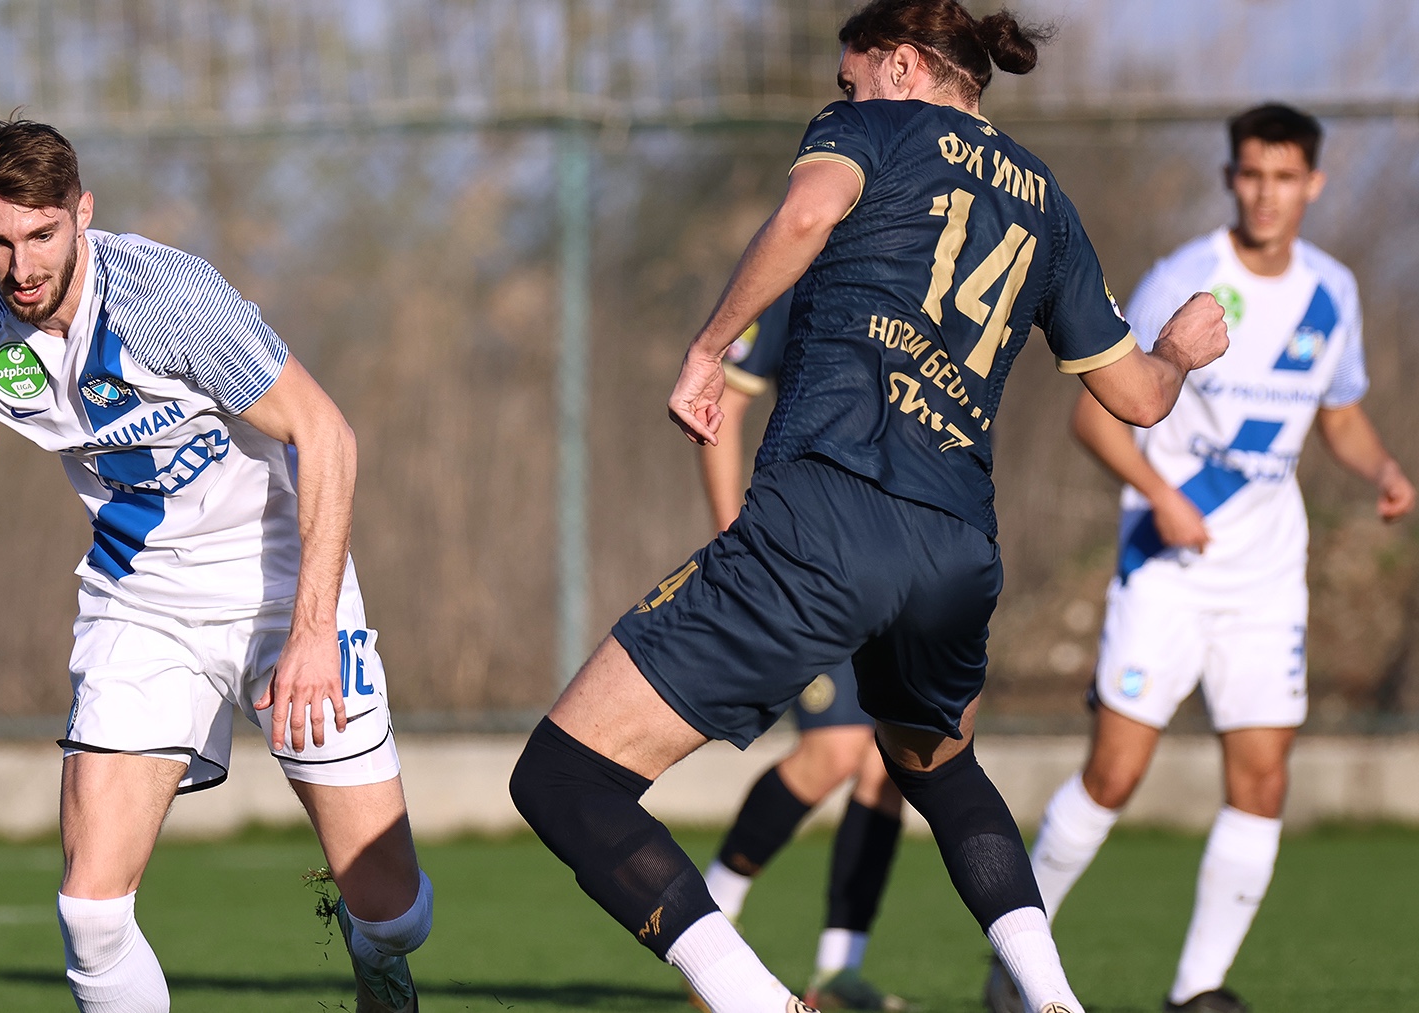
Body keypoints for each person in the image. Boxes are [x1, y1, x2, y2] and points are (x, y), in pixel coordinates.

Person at [506, 1, 1231, 1011]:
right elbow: (1142, 397)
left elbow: (807, 215)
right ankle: (1054, 997)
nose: (839, 99)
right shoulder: (1050, 205)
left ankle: (753, 999)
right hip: (956, 547)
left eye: (849, 81)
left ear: (899, 64)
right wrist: (1182, 349)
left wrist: (710, 348)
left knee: (561, 776)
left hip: (830, 511)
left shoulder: (876, 128)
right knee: (936, 763)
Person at [0, 119, 432, 1013]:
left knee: (392, 908)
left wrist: (313, 632)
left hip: (279, 583)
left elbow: (325, 433)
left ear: (82, 214)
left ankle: (380, 960)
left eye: (43, 236)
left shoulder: (162, 296)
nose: (21, 267)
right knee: (90, 912)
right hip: (139, 598)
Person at [991, 103, 1415, 1013]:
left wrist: (1381, 466)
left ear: (1313, 184)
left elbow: (1334, 409)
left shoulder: (1332, 292)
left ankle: (1198, 991)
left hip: (1266, 579)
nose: (1267, 194)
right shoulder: (1186, 278)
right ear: (1231, 178)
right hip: (1168, 567)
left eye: (1285, 177)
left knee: (1262, 780)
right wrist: (1167, 497)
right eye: (1251, 175)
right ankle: (1019, 959)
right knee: (1114, 774)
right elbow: (1094, 414)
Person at [698, 288, 909, 1013]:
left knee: (892, 764)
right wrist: (737, 537)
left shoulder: (931, 274)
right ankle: (713, 917)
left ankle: (839, 970)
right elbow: (724, 398)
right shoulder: (809, 278)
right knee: (837, 751)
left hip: (913, 563)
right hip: (810, 561)